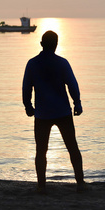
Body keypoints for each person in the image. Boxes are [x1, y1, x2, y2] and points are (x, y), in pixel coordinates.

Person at [22, 30, 86, 194]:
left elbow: (26, 87)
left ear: (41, 44)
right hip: (62, 112)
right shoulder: (62, 63)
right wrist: (77, 103)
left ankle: (41, 186)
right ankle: (80, 183)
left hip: (42, 114)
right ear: (56, 45)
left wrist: (28, 106)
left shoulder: (32, 64)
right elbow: (72, 84)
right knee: (73, 148)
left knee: (41, 151)